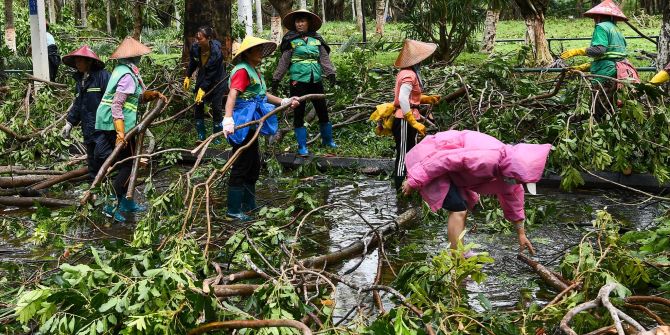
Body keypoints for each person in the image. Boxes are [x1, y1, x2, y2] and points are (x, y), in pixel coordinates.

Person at [401, 130, 552, 256]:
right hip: (431, 158)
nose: (518, 184)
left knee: (463, 206)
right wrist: (414, 179)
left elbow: (514, 200)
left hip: (454, 174)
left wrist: (521, 234)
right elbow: (445, 159)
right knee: (458, 209)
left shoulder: (510, 176)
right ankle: (457, 257)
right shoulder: (487, 158)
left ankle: (459, 251)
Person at [223, 36, 299, 221]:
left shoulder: (254, 71)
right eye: (257, 50)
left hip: (254, 119)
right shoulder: (242, 71)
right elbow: (232, 95)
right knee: (242, 163)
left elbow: (262, 94)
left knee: (254, 164)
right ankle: (233, 210)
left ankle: (249, 204)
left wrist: (283, 101)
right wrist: (228, 118)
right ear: (248, 53)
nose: (261, 53)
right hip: (243, 120)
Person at [93, 37, 166, 223]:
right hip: (116, 124)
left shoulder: (122, 71)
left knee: (125, 163)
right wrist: (120, 133)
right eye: (139, 56)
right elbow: (117, 105)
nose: (141, 58)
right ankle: (112, 204)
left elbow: (134, 98)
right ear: (133, 58)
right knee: (128, 165)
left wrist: (153, 95)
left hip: (110, 123)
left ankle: (125, 202)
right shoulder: (127, 76)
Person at [272, 9, 336, 156]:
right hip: (298, 80)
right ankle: (302, 146)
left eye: (302, 21)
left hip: (316, 80)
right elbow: (284, 62)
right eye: (297, 21)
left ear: (308, 23)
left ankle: (328, 140)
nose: (299, 24)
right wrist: (276, 78)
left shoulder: (316, 39)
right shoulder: (291, 40)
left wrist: (330, 73)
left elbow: (324, 58)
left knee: (322, 110)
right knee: (299, 112)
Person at [560, 0, 639, 115]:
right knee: (612, 107)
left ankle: (602, 127)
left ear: (598, 16)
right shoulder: (616, 29)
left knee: (599, 109)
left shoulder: (601, 27)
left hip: (607, 75)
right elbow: (611, 56)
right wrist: (582, 67)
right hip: (620, 71)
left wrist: (577, 51)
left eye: (594, 17)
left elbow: (599, 51)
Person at [391, 39, 441, 191]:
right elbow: (402, 99)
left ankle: (409, 184)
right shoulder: (409, 75)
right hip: (404, 120)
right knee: (403, 153)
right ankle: (399, 187)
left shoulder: (409, 73)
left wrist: (426, 98)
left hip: (408, 117)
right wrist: (412, 121)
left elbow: (411, 97)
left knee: (411, 151)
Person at [60, 45, 110, 179]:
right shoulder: (81, 80)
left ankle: (110, 189)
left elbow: (113, 101)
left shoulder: (103, 77)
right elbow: (78, 104)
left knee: (102, 156)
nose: (77, 64)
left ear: (90, 61)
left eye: (80, 61)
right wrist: (70, 123)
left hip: (102, 128)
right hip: (88, 128)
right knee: (92, 161)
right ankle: (95, 192)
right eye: (76, 61)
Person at [183, 26, 227, 144]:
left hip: (218, 80)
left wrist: (203, 88)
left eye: (200, 39)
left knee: (217, 107)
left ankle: (216, 136)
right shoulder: (195, 48)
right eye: (196, 38)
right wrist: (188, 75)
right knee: (198, 104)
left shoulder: (216, 52)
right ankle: (201, 134)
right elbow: (193, 62)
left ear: (209, 38)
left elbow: (211, 74)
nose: (197, 41)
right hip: (203, 77)